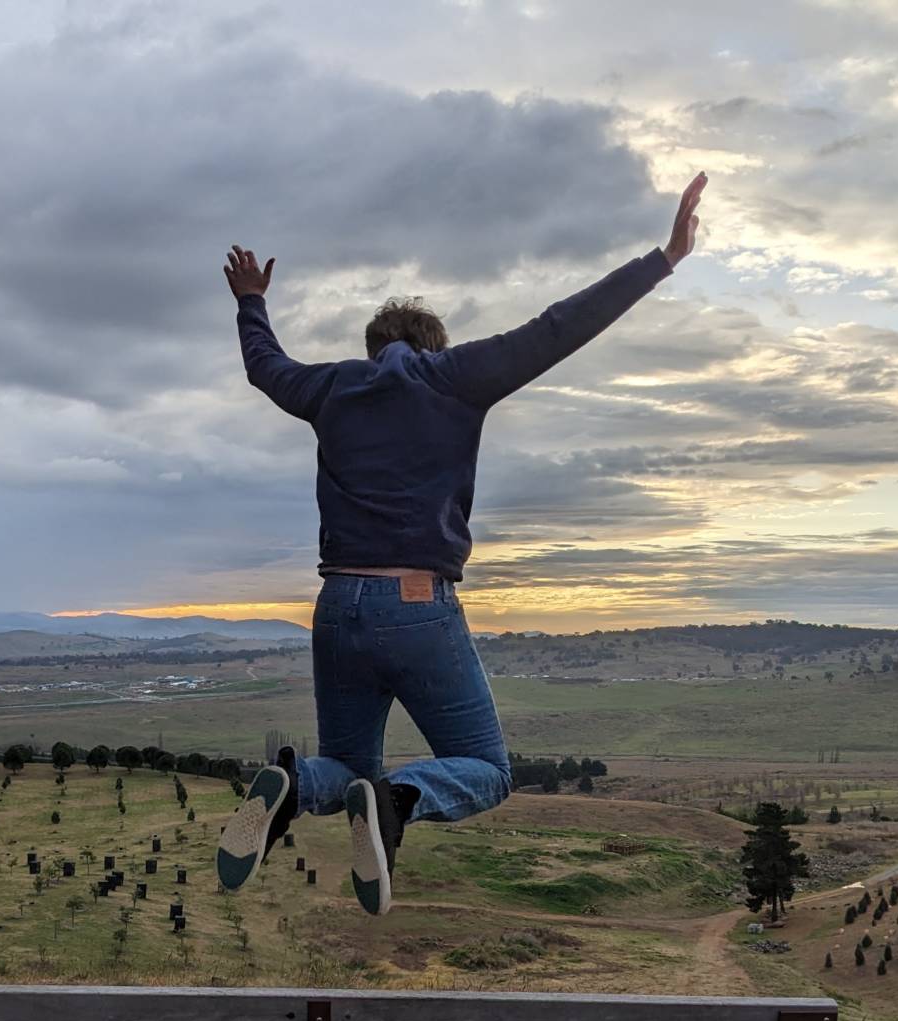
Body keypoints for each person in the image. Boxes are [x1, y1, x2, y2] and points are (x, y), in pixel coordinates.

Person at [216, 172, 709, 916]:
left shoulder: (332, 388)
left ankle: (292, 784)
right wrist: (663, 258)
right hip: (415, 605)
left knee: (341, 766)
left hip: (335, 603)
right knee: (485, 766)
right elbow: (558, 327)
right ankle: (398, 801)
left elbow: (266, 368)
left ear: (375, 347)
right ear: (431, 346)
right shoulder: (455, 377)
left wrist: (252, 302)